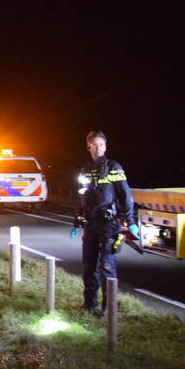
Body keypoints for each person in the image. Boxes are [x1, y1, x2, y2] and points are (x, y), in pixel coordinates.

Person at [75, 130, 137, 316]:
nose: (97, 148)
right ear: (89, 147)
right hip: (91, 224)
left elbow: (126, 196)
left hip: (109, 225)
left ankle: (108, 309)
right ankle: (89, 304)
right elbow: (83, 196)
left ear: (105, 146)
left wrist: (130, 221)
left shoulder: (114, 167)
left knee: (106, 266)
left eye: (101, 145)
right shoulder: (85, 170)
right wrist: (76, 220)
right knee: (89, 265)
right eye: (94, 145)